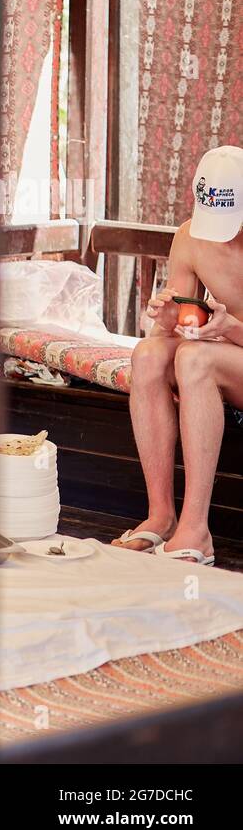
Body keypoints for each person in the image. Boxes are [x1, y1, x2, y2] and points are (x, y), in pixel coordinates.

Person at [119, 145, 243, 566]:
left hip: (226, 350)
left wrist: (230, 329)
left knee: (194, 359)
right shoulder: (190, 236)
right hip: (226, 352)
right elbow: (174, 327)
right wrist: (167, 316)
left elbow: (211, 339)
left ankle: (197, 529)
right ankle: (161, 516)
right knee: (148, 354)